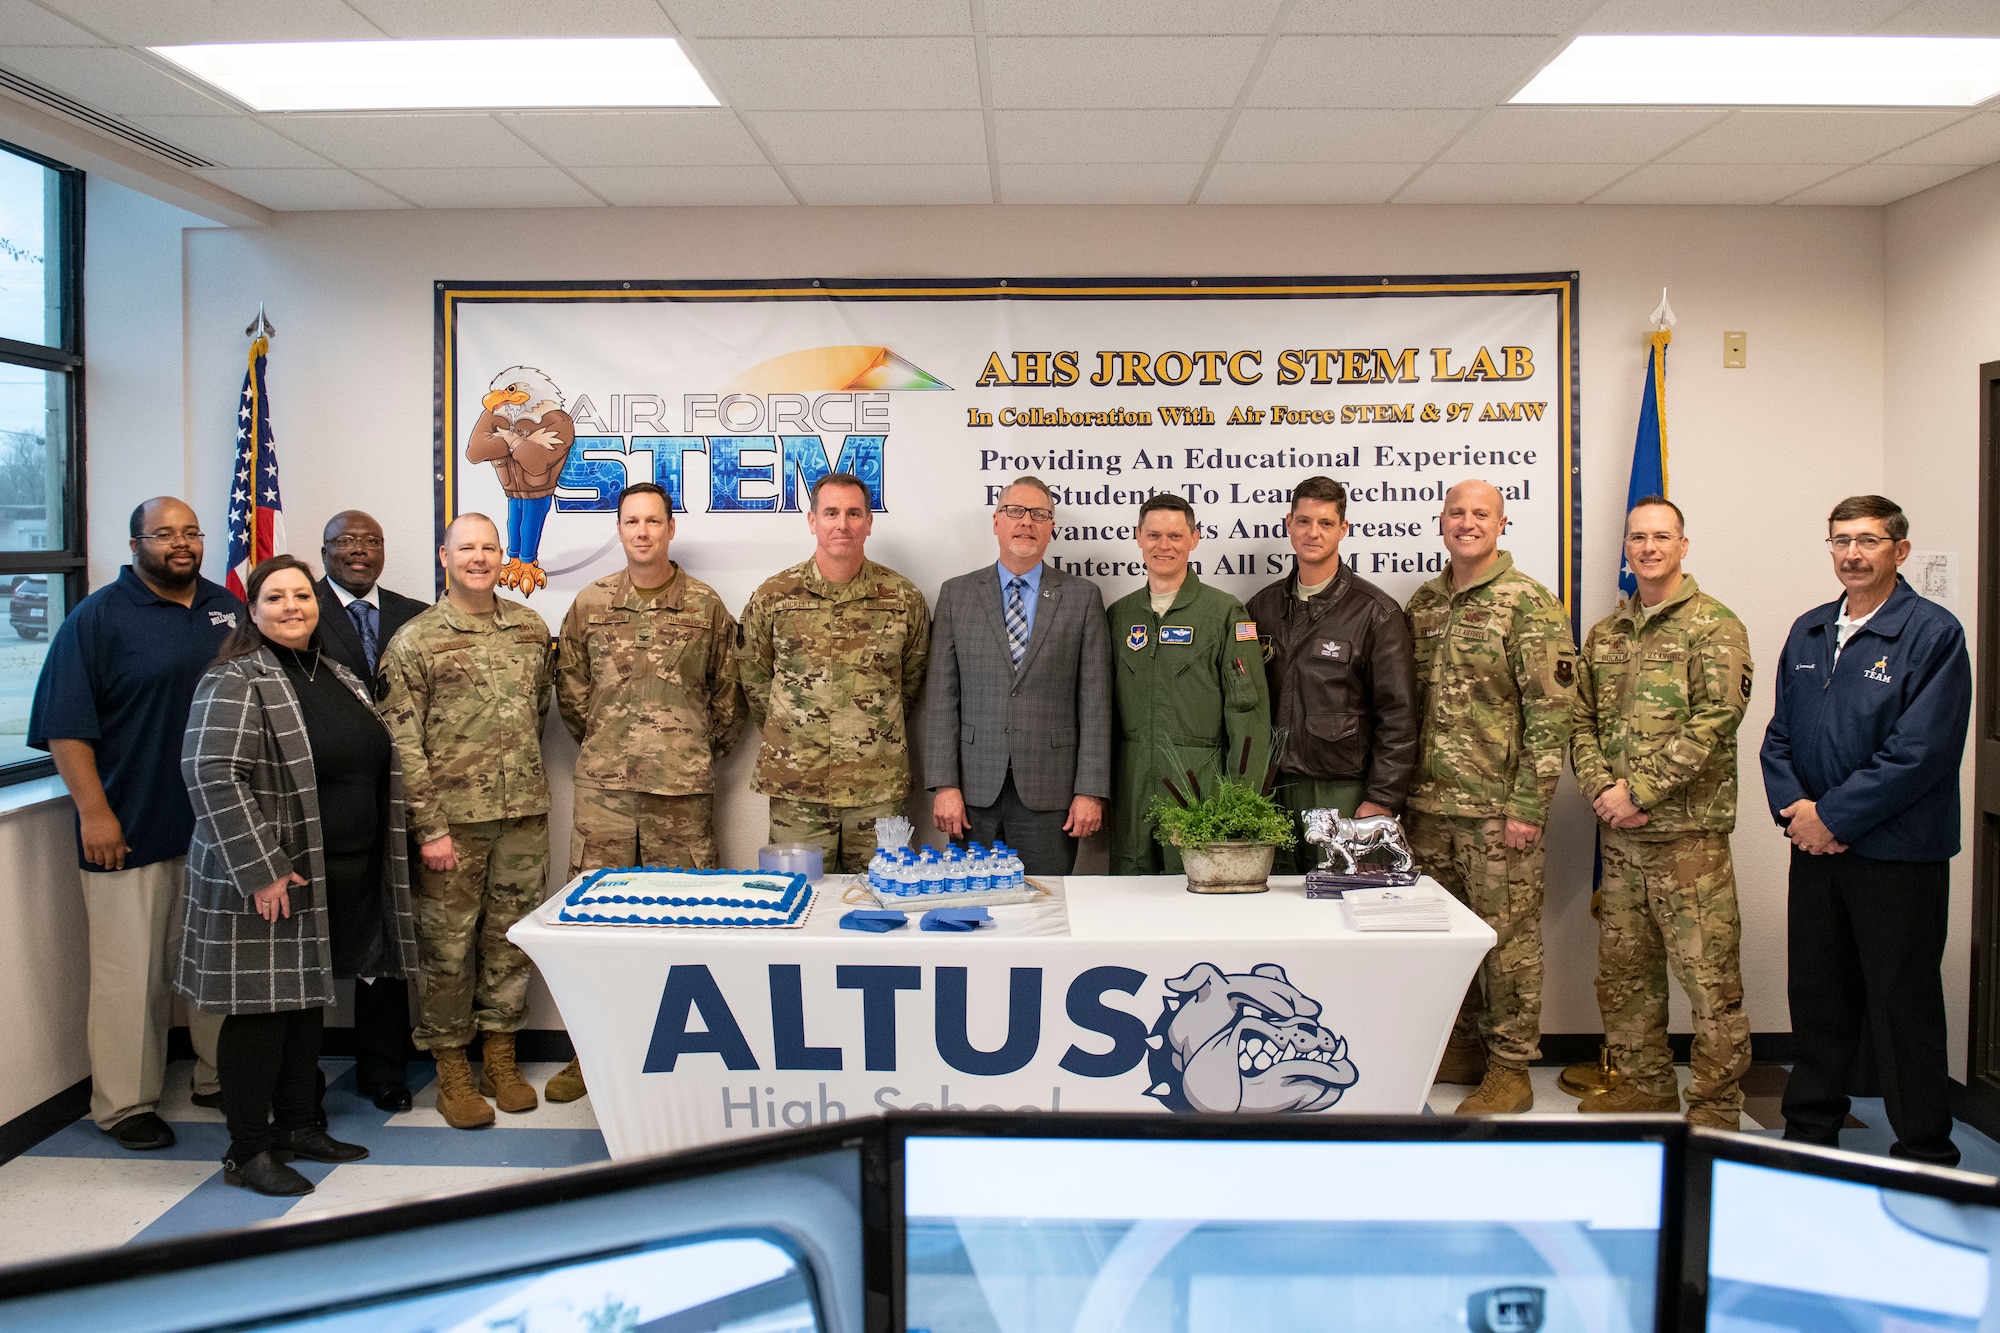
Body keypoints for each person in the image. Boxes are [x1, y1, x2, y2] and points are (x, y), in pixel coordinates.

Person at [178, 555, 418, 1196]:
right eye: (276, 597)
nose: (293, 607)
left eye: (303, 597)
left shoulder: (335, 672)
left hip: (334, 873)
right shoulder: (236, 679)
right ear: (252, 609)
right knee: (260, 1013)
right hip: (268, 881)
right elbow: (212, 776)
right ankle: (247, 1151)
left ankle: (299, 1124)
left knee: (306, 1005)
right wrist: (263, 872)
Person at [1762, 494, 1971, 1167]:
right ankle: (1811, 1134)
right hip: (1816, 852)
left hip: (1897, 856)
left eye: (1868, 540)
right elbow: (1779, 736)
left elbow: (1921, 752)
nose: (1852, 553)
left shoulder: (1933, 633)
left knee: (1901, 1005)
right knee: (1817, 996)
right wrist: (1799, 811)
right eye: (1841, 540)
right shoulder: (1810, 630)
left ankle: (1926, 1151)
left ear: (1899, 551)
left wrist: (1835, 816)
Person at [27, 497, 239, 1151]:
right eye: (163, 534)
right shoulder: (97, 618)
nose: (180, 543)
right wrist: (95, 813)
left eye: (190, 532)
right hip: (129, 826)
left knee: (218, 965)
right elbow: (65, 725)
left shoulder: (224, 607)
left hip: (218, 829)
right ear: (134, 542)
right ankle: (124, 1103)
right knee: (131, 973)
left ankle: (218, 1076)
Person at [551, 481, 744, 1103]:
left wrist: (682, 750)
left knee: (684, 929)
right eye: (631, 521)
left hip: (680, 796)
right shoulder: (590, 602)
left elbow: (728, 698)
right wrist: (615, 748)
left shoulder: (707, 606)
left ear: (670, 529)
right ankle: (590, 1054)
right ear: (619, 528)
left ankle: (683, 1055)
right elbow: (572, 694)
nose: (642, 532)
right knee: (596, 927)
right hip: (605, 793)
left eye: (653, 521)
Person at [1571, 497, 1753, 1128]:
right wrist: (1602, 791)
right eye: (1637, 537)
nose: (1648, 547)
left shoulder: (1714, 625)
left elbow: (1716, 721)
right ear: (1626, 548)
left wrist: (1639, 792)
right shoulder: (1606, 633)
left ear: (1683, 545)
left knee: (1709, 981)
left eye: (1661, 537)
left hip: (1687, 840)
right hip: (1620, 838)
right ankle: (1644, 1082)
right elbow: (1581, 721)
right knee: (1625, 973)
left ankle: (1715, 1106)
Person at [1404, 479, 1577, 1115]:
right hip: (1427, 808)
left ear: (1501, 525)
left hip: (1497, 812)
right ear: (1440, 521)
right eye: (1457, 512)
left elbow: (1551, 712)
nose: (1467, 523)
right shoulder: (1424, 602)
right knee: (1443, 940)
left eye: (1481, 514)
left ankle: (1510, 1069)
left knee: (1508, 944)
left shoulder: (1527, 603)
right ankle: (1463, 1048)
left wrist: (1528, 807)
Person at [379, 512, 554, 1130]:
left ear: (502, 555)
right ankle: (452, 1068)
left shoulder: (530, 629)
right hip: (451, 825)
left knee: (509, 942)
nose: (478, 558)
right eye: (466, 548)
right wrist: (429, 828)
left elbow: (537, 714)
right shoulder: (415, 641)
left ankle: (500, 1059)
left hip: (523, 816)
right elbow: (403, 745)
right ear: (445, 555)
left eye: (489, 547)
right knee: (447, 949)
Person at [738, 472, 930, 874]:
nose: (842, 524)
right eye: (831, 513)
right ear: (812, 521)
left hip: (876, 788)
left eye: (853, 513)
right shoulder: (774, 596)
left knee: (881, 904)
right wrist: (794, 737)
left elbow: (910, 681)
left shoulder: (903, 598)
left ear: (869, 522)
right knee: (796, 903)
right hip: (797, 786)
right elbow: (755, 679)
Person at [923, 477, 1112, 874]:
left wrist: (1090, 791)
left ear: (1051, 527)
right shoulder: (957, 594)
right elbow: (942, 697)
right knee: (972, 911)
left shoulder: (1082, 597)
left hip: (1052, 794)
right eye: (1015, 512)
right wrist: (945, 785)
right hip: (972, 794)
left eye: (1039, 514)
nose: (1026, 522)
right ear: (996, 522)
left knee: (1046, 911)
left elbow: (1095, 702)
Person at [312, 509, 428, 1112]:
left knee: (387, 934)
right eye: (345, 542)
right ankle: (298, 1078)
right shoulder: (300, 610)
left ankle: (384, 1070)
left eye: (371, 541)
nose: (359, 551)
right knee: (309, 939)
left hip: (396, 797)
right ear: (324, 550)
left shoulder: (414, 615)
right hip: (324, 804)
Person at [1246, 476, 1416, 871]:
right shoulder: (1262, 607)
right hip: (1273, 788)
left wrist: (1382, 800)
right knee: (1274, 907)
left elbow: (1399, 716)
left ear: (1343, 529)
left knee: (1343, 905)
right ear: (1288, 524)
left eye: (1325, 523)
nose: (1312, 533)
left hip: (1344, 789)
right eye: (1303, 521)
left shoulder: (1376, 613)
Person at [1104, 493, 1271, 876]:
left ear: (1194, 539)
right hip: (1131, 788)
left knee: (1198, 900)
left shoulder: (1225, 613)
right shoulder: (1119, 616)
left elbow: (1249, 715)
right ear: (1138, 537)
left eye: (1176, 536)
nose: (1164, 546)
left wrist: (1241, 802)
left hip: (1201, 788)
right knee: (1129, 901)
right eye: (1154, 535)